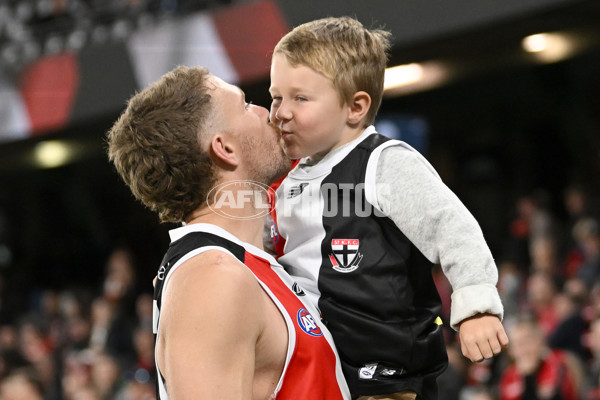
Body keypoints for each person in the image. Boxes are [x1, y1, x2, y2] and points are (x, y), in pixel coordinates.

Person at [268, 16, 509, 399]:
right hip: (321, 372)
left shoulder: (383, 162)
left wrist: (477, 307)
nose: (280, 111)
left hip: (385, 378)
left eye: (299, 98)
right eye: (275, 96)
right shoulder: (287, 180)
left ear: (355, 107)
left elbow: (451, 226)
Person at [106, 65, 350, 399]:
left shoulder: (235, 265)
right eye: (246, 105)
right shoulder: (213, 278)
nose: (270, 111)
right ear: (225, 148)